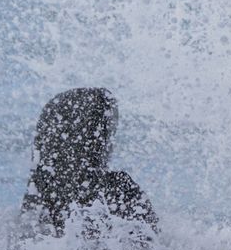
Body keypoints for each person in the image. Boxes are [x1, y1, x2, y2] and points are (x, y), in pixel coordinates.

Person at [21, 87, 157, 237]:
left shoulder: (38, 195)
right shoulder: (120, 190)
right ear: (98, 142)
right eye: (109, 133)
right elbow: (158, 249)